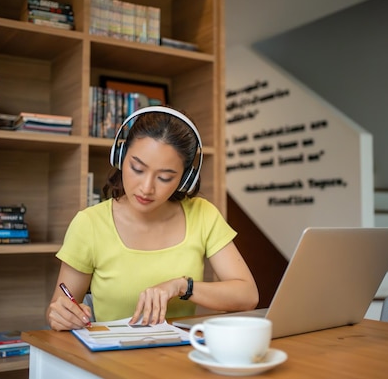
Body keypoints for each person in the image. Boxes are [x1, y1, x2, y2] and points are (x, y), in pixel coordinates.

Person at [47, 106, 258, 330]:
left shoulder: (203, 215)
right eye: (137, 169)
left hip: (178, 359)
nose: (147, 188)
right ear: (120, 157)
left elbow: (247, 296)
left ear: (185, 179)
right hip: (110, 361)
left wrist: (182, 286)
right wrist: (60, 315)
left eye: (165, 177)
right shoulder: (89, 224)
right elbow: (58, 307)